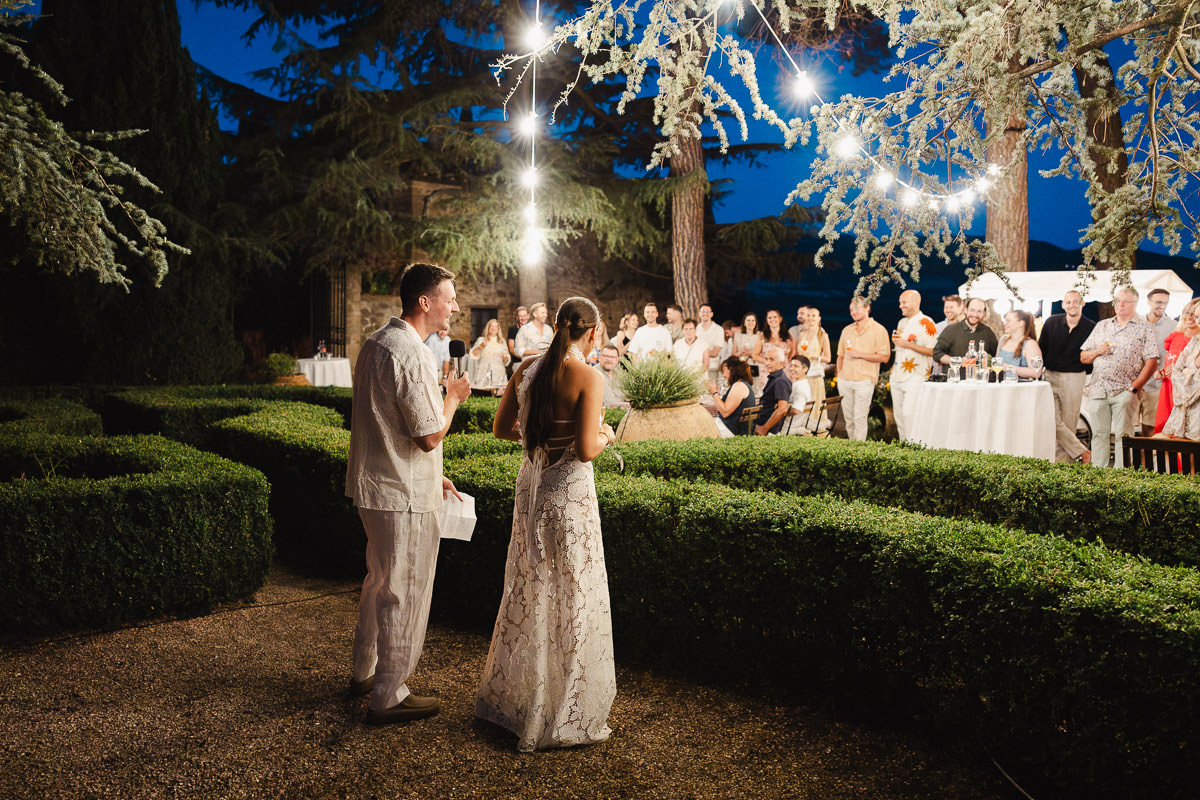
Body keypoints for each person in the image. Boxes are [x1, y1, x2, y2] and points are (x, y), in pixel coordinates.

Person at [476, 297, 617, 752]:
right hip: (570, 497)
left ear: (557, 326)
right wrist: (608, 433)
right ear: (592, 334)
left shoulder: (526, 369)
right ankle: (563, 705)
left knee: (532, 584)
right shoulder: (589, 376)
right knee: (572, 590)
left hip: (531, 490)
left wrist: (536, 438)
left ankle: (523, 700)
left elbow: (501, 429)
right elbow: (586, 448)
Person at [345, 262, 472, 725]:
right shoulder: (412, 352)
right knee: (406, 589)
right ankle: (390, 693)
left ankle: (365, 672)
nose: (455, 306)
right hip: (403, 495)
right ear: (425, 302)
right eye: (450, 297)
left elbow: (385, 424)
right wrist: (454, 396)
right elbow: (428, 436)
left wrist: (431, 475)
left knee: (378, 581)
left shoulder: (376, 342)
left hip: (377, 486)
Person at [1079, 287, 1159, 467]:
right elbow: (1083, 357)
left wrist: (1134, 388)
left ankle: (1120, 474)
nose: (1121, 304)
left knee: (1124, 435)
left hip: (1125, 389)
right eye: (1118, 301)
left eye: (1126, 301)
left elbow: (1151, 362)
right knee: (1099, 433)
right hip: (1099, 388)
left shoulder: (1144, 328)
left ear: (1135, 304)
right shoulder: (1102, 325)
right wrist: (1097, 351)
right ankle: (1099, 472)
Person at [1037, 290, 1097, 463]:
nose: (1072, 305)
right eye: (1068, 302)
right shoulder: (1051, 322)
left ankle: (1062, 466)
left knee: (1069, 423)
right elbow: (1042, 349)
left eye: (1075, 302)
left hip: (1074, 377)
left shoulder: (1090, 327)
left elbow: (1091, 356)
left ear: (1082, 304)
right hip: (1050, 375)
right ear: (1063, 304)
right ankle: (1082, 452)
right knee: (1052, 420)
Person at [836, 297, 890, 441]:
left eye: (857, 308)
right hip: (845, 380)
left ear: (867, 308)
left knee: (859, 417)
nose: (853, 312)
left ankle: (858, 450)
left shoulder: (879, 330)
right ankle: (850, 449)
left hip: (864, 380)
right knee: (848, 419)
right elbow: (840, 356)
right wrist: (839, 374)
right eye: (851, 310)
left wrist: (859, 355)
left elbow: (885, 357)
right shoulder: (847, 330)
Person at [888, 290, 937, 442]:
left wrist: (907, 345)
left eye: (904, 302)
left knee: (910, 413)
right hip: (897, 376)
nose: (900, 306)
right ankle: (904, 445)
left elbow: (934, 351)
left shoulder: (927, 323)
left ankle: (915, 446)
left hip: (915, 376)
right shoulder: (901, 323)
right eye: (900, 302)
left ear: (915, 302)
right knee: (899, 416)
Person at [1155, 298, 1200, 434]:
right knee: (1168, 429)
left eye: (1195, 315)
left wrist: (1184, 371)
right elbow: (1176, 366)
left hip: (1190, 392)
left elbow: (1184, 369)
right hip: (1173, 388)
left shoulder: (1193, 340)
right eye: (1188, 313)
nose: (1191, 318)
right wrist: (1165, 372)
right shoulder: (1187, 341)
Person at [1136, 288, 1177, 435]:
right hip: (1133, 385)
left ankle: (1150, 458)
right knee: (1129, 429)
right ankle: (1133, 458)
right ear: (1148, 301)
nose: (1162, 306)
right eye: (1158, 302)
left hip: (1156, 386)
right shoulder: (1136, 323)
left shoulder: (1174, 326)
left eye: (1165, 303)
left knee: (1151, 428)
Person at [1159, 331, 1200, 441]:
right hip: (1184, 406)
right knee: (1182, 447)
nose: (1198, 321)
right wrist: (1188, 373)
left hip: (1195, 404)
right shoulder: (1195, 340)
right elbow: (1176, 370)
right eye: (1197, 317)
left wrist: (1187, 372)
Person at [933, 297, 998, 364]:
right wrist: (959, 361)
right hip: (955, 374)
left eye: (979, 311)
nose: (975, 315)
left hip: (979, 374)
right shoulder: (951, 329)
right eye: (972, 310)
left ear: (984, 313)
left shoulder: (988, 332)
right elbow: (936, 354)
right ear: (965, 310)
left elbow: (995, 356)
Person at [795, 306, 832, 415]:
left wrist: (814, 357)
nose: (811, 318)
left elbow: (828, 358)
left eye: (814, 316)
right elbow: (798, 353)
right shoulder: (802, 334)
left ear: (819, 318)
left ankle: (813, 425)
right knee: (802, 400)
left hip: (815, 374)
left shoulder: (822, 335)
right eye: (809, 315)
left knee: (814, 401)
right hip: (802, 374)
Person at [707, 356, 755, 437]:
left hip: (730, 431)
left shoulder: (739, 385)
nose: (724, 375)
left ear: (731, 369)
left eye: (724, 370)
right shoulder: (742, 384)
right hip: (731, 428)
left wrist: (714, 393)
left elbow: (725, 412)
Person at [995, 309, 1045, 378]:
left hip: (1020, 387)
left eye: (1008, 321)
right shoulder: (1003, 340)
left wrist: (1008, 367)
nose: (1004, 323)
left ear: (1020, 324)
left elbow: (1036, 372)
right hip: (1001, 386)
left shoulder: (1030, 344)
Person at [754, 347, 793, 435]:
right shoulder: (775, 378)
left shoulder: (780, 381)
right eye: (766, 359)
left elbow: (783, 408)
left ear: (782, 363)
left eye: (771, 360)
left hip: (770, 432)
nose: (767, 363)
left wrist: (765, 428)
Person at [470, 318, 511, 388]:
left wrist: (506, 358)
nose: (493, 328)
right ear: (488, 328)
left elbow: (507, 357)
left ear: (498, 329)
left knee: (499, 390)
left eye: (496, 326)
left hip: (499, 372)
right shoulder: (481, 340)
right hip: (483, 372)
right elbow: (473, 355)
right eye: (491, 326)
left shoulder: (502, 341)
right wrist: (480, 347)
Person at [782, 355, 813, 435]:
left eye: (796, 366)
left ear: (805, 369)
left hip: (788, 428)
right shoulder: (802, 383)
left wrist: (781, 410)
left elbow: (796, 410)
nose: (792, 368)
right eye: (791, 365)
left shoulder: (800, 387)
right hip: (794, 425)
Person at [696, 304, 726, 383]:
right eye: (703, 311)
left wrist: (699, 352)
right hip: (697, 369)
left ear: (711, 314)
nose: (705, 313)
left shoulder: (718, 329)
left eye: (707, 311)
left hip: (712, 369)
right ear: (699, 314)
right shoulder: (696, 329)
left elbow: (714, 353)